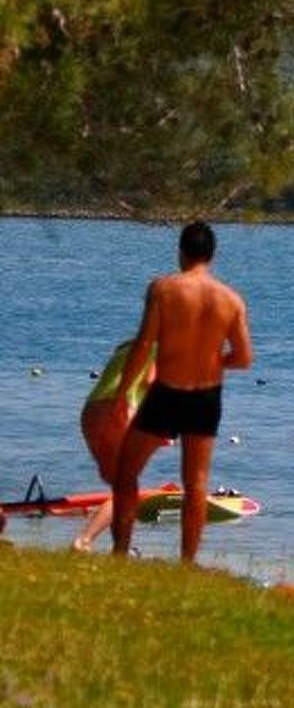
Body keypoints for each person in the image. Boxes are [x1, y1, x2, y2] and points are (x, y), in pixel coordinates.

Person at [111, 222, 254, 562]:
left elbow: (144, 345)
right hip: (206, 396)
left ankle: (120, 552)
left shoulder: (163, 289)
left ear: (181, 252)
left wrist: (123, 393)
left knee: (126, 472)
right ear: (212, 255)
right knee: (196, 482)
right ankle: (187, 563)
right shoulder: (231, 300)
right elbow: (244, 358)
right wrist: (213, 360)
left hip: (167, 392)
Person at [72, 334, 156, 551]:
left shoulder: (126, 348)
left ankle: (118, 548)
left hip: (91, 411)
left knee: (118, 486)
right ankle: (86, 540)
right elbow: (150, 382)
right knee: (126, 490)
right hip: (121, 412)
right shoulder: (161, 348)